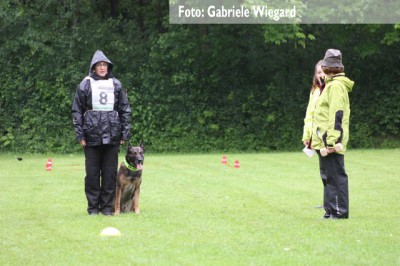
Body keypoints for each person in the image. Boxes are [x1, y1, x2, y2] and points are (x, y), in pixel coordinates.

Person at [72, 50, 131, 216]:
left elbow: (125, 110)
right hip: (91, 135)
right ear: (94, 67)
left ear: (108, 67)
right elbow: (77, 111)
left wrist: (124, 134)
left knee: (110, 174)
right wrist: (80, 135)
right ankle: (92, 208)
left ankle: (107, 207)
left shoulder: (116, 85)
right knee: (92, 174)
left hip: (112, 135)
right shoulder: (85, 85)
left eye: (105, 65)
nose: (103, 68)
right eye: (99, 65)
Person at [311, 49, 354, 219]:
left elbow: (336, 115)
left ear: (329, 67)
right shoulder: (330, 85)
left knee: (336, 177)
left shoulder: (336, 86)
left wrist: (331, 141)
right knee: (329, 177)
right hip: (325, 139)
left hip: (331, 141)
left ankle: (339, 211)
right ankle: (330, 211)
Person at [302, 60, 326, 208]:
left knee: (329, 171)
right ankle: (327, 202)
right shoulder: (315, 90)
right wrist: (306, 136)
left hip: (323, 134)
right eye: (318, 72)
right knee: (323, 170)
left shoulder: (327, 89)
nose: (321, 75)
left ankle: (330, 202)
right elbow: (309, 115)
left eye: (323, 71)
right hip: (314, 135)